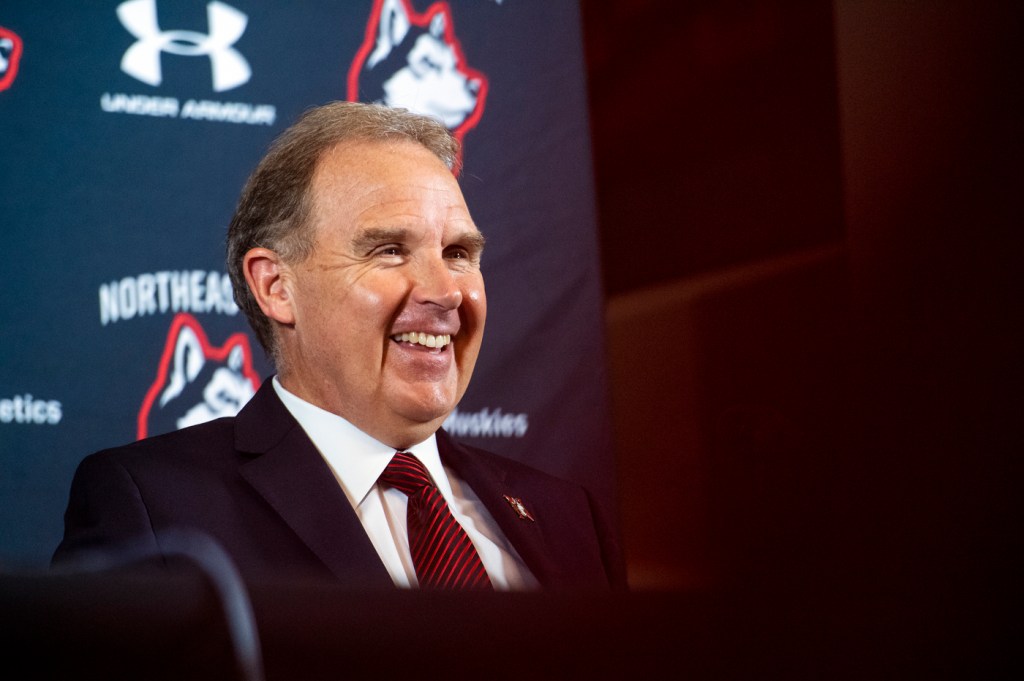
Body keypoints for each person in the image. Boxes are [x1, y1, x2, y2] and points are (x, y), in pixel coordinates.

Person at [52, 101, 625, 591]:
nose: (446, 291)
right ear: (277, 287)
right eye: (389, 251)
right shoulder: (155, 509)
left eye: (458, 254)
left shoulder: (568, 516)